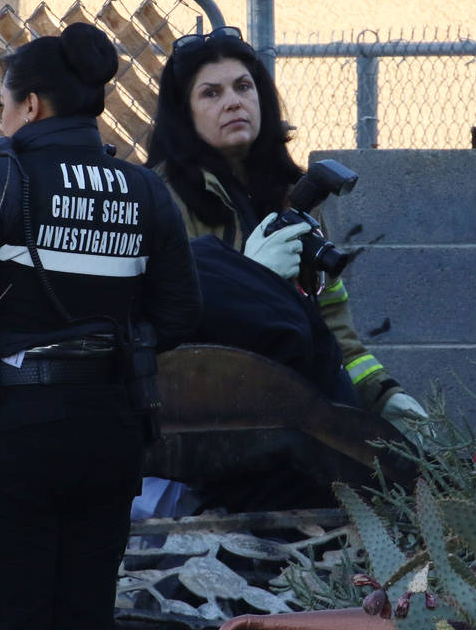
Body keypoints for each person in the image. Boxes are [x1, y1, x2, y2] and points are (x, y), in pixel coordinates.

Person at [0, 22, 202, 630]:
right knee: (85, 623)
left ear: (31, 105)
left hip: (10, 440)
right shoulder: (144, 189)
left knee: (7, 626)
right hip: (108, 436)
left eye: (5, 105)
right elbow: (178, 319)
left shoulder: (0, 178)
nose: (3, 118)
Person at [145, 25, 430, 442]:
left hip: (302, 404)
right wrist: (250, 278)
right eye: (211, 93)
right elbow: (172, 326)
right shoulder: (162, 198)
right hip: (215, 419)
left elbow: (331, 323)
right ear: (184, 114)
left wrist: (382, 393)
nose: (233, 102)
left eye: (243, 86)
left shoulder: (291, 199)